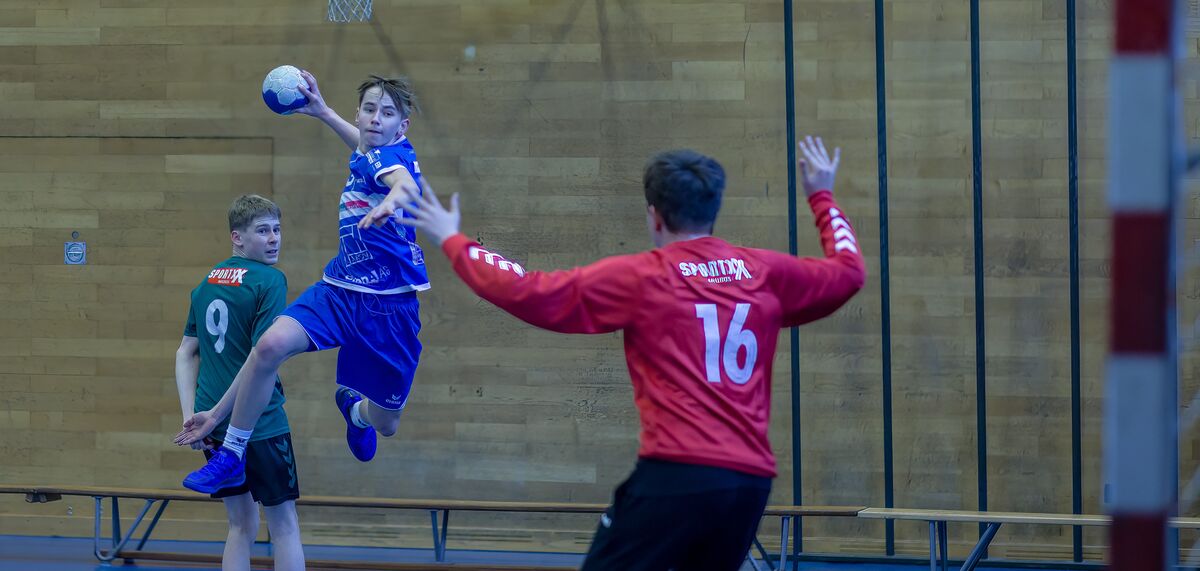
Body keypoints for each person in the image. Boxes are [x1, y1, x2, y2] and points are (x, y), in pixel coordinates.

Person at [395, 136, 865, 570]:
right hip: (748, 484)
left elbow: (529, 292)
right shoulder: (763, 270)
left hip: (677, 474)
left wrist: (453, 241)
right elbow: (848, 271)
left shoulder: (645, 276)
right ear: (713, 209)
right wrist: (821, 195)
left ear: (654, 215)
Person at [176, 72, 430, 491]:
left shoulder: (395, 161)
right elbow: (365, 150)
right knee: (270, 345)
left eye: (387, 114)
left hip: (390, 308)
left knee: (387, 423)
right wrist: (323, 112)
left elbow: (401, 184)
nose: (374, 119)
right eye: (369, 109)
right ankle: (232, 454)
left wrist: (390, 203)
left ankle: (356, 413)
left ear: (402, 126)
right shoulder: (372, 150)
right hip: (340, 289)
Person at [174, 194, 305, 571]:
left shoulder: (207, 282)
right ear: (237, 237)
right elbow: (260, 357)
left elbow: (185, 352)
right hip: (258, 421)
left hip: (212, 426)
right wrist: (213, 416)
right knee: (284, 527)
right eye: (262, 231)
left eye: (277, 230)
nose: (274, 239)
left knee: (239, 525)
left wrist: (193, 417)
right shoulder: (269, 279)